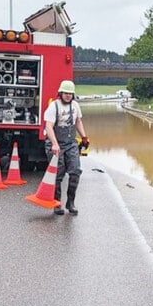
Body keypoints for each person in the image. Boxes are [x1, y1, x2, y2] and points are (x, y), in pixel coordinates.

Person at [43, 79, 89, 215]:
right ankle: (57, 203)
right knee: (58, 174)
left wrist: (84, 137)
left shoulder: (75, 106)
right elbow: (49, 127)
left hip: (71, 143)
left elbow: (78, 121)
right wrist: (55, 144)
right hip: (56, 143)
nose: (68, 95)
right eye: (65, 93)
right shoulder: (54, 106)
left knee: (75, 171)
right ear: (60, 93)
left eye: (70, 93)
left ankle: (71, 202)